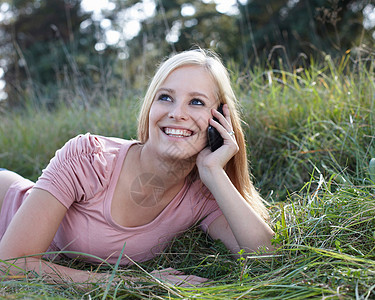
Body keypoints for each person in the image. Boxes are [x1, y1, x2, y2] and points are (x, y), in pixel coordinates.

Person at [0, 48, 274, 286]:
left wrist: (215, 171)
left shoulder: (202, 195)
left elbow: (266, 255)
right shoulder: (89, 158)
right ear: (149, 107)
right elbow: (11, 264)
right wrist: (141, 282)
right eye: (165, 97)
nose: (177, 113)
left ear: (220, 121)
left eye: (196, 102)